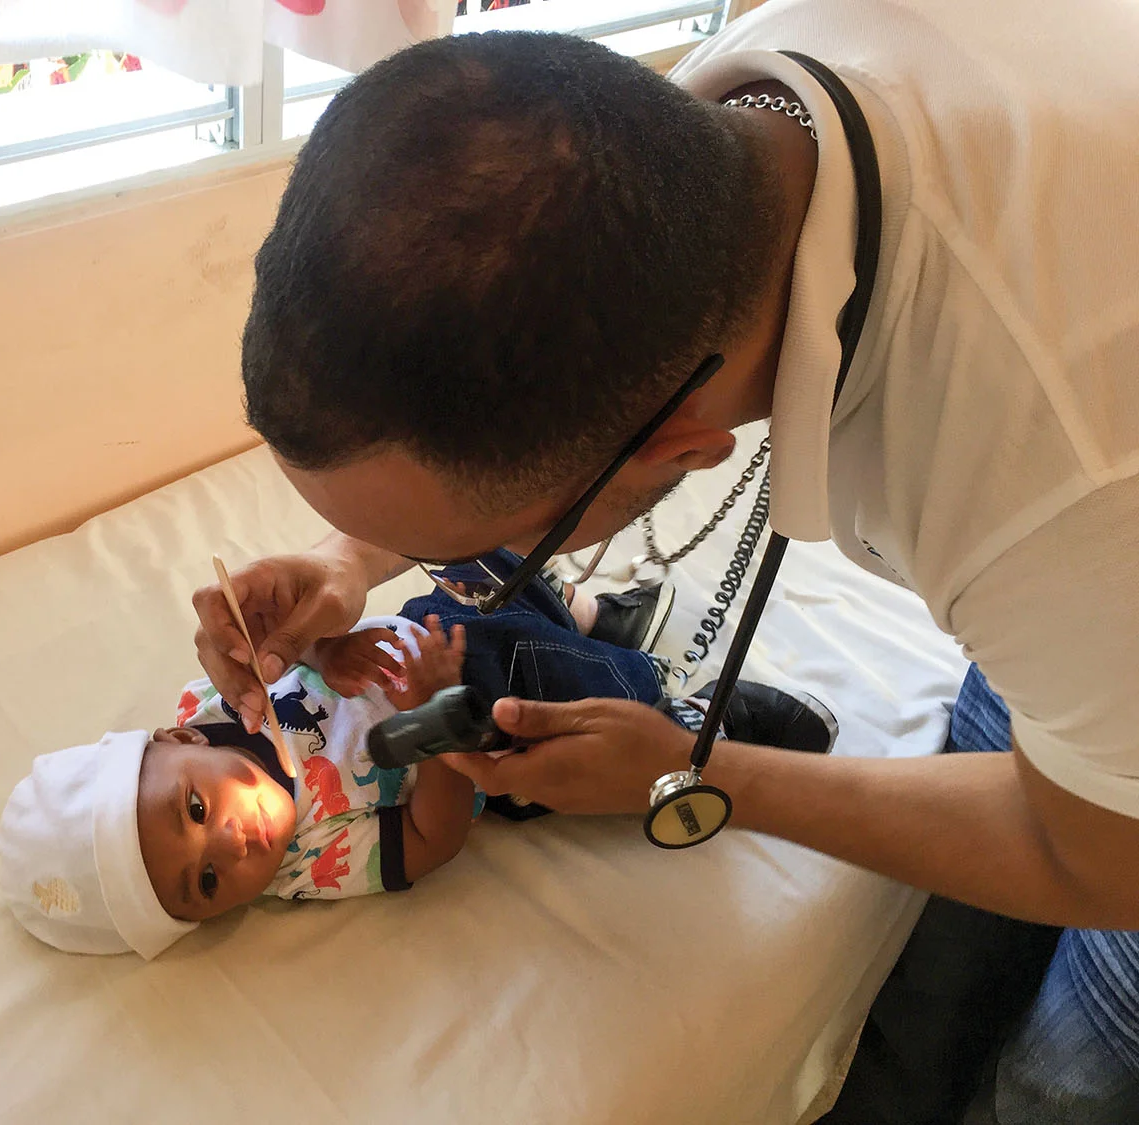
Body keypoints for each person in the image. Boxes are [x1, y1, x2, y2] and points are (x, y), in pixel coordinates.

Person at [190, 6, 1139, 1120]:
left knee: (1068, 1073)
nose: (420, 570)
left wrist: (701, 773)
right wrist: (347, 558)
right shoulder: (684, 149)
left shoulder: (1060, 483)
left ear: (685, 451)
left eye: (463, 554)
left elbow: (1096, 857)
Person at [0, 577, 833, 959]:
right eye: (206, 883)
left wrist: (330, 643)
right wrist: (438, 721)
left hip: (428, 628)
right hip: (486, 728)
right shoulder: (309, 860)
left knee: (471, 569)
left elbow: (307, 652)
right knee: (543, 701)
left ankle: (591, 612)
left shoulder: (217, 699)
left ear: (176, 744)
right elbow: (432, 838)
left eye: (190, 811)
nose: (228, 842)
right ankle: (680, 715)